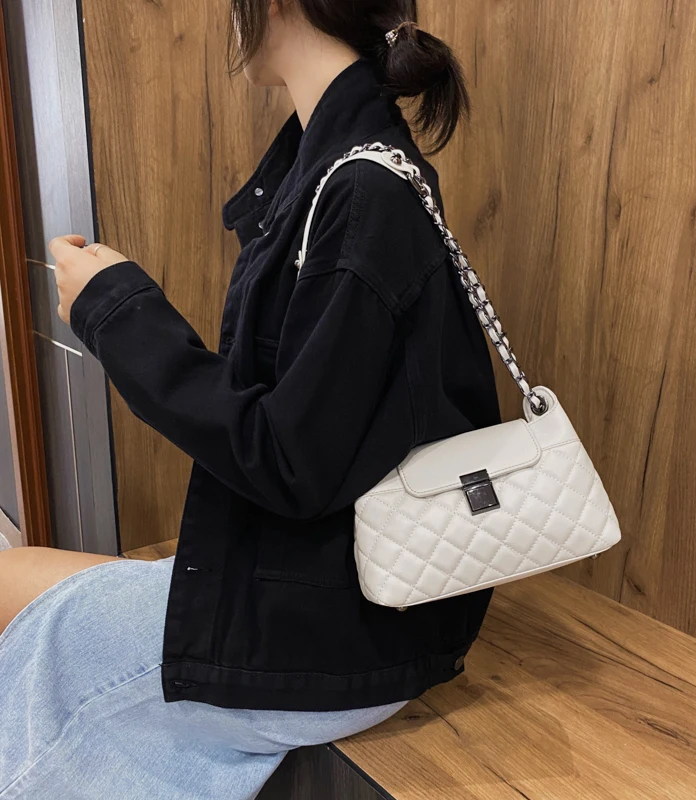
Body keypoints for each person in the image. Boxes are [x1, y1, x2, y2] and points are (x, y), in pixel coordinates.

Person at [0, 1, 502, 796]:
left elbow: (287, 458)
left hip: (344, 629)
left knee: (34, 646)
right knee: (14, 579)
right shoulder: (338, 169)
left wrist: (115, 311)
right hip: (325, 584)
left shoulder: (361, 190)